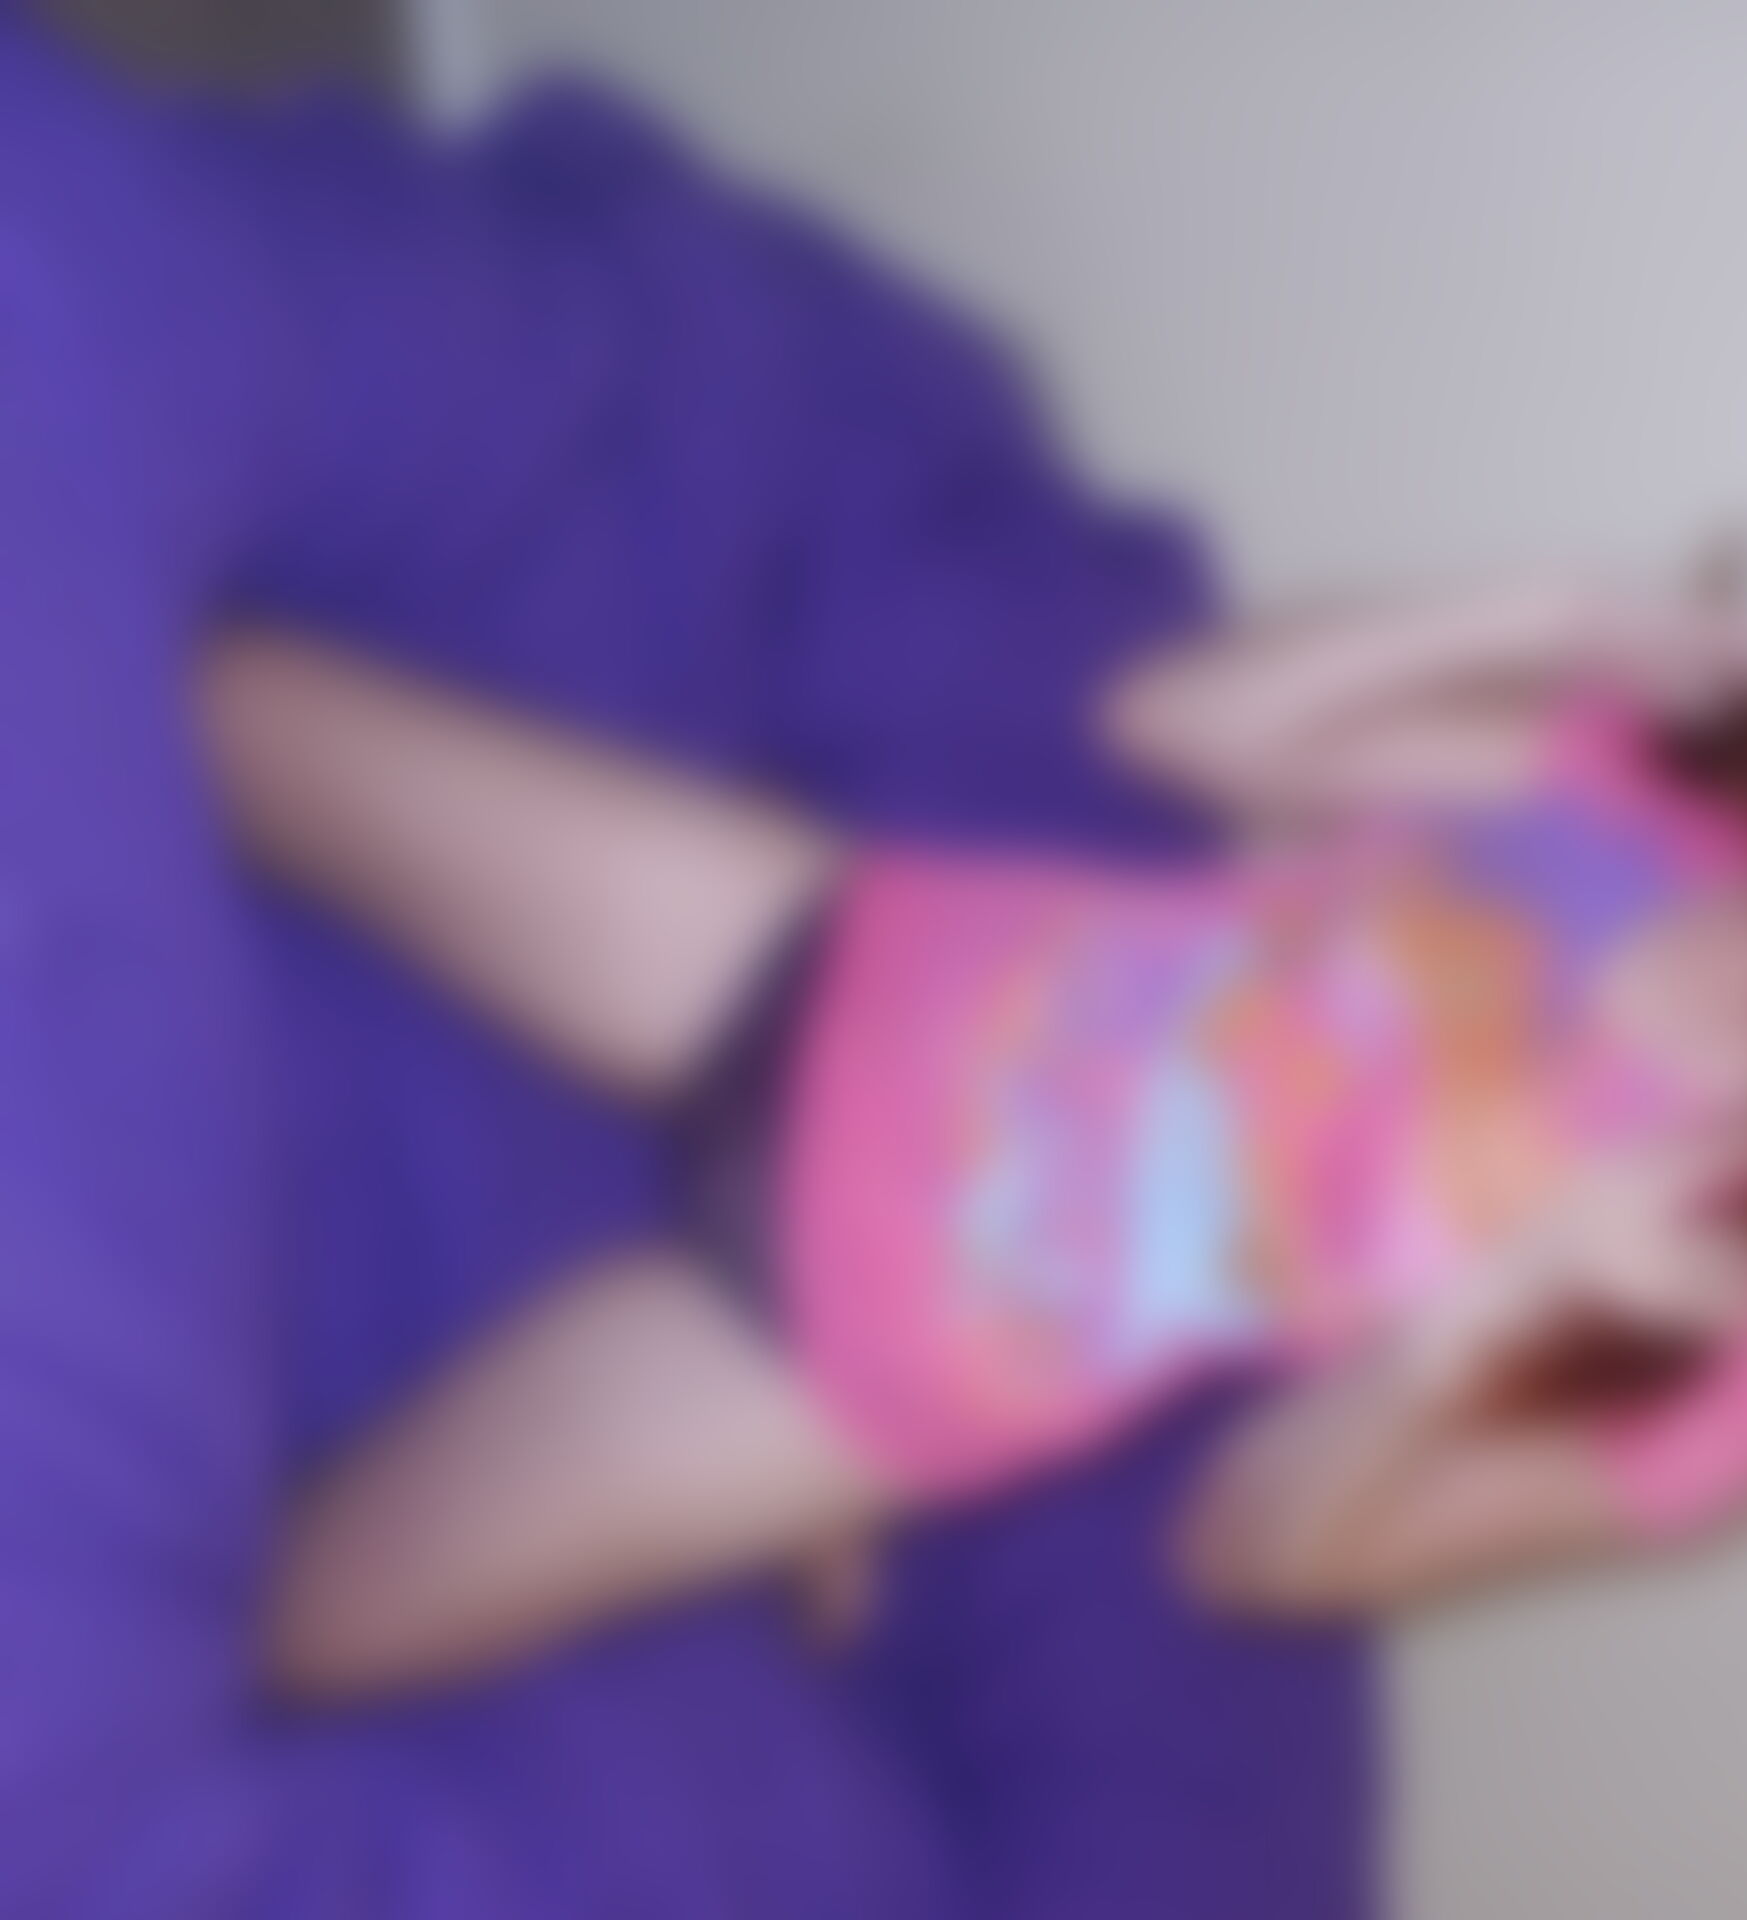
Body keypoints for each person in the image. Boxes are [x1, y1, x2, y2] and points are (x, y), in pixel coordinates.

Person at [0, 12, 1372, 1917]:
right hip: (919, 991)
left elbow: (1283, 1534)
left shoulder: (1705, 1322)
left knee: (308, 1624)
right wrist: (1560, 643)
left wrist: (1300, 1370)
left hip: (934, 1341)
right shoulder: (1625, 800)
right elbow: (1177, 726)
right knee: (148, 513)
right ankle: (142, 678)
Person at [200, 554, 1747, 1700]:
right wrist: (1562, 612)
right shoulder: (1728, 795)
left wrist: (1486, 1317)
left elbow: (1254, 1554)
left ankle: (803, 1524)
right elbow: (1180, 723)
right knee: (224, 706)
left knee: (275, 1625)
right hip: (849, 959)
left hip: (864, 1345)